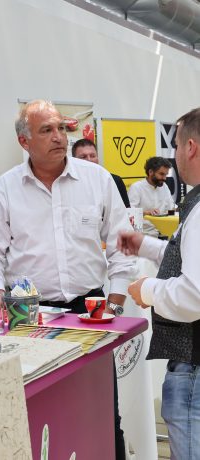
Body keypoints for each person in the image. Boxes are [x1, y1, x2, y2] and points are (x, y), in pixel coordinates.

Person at [0, 100, 136, 460]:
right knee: (40, 412)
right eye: (46, 130)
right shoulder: (5, 189)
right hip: (29, 316)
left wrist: (116, 300)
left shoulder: (97, 180)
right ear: (24, 141)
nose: (59, 136)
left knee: (101, 412)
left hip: (89, 310)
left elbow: (123, 241)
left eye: (61, 128)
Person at [118, 107, 200, 460]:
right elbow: (189, 257)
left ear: (191, 147)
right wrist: (147, 245)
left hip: (194, 365)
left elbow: (195, 294)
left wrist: (147, 290)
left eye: (177, 146)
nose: (175, 156)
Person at [72, 138, 131, 207]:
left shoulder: (114, 180)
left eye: (92, 156)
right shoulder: (69, 182)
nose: (89, 160)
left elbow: (126, 210)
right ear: (73, 160)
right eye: (83, 157)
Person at [128, 156, 175, 236]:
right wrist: (147, 213)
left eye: (166, 175)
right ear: (150, 172)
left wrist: (177, 210)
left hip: (164, 233)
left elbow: (171, 209)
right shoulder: (137, 187)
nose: (164, 178)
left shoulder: (164, 187)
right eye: (161, 174)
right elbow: (130, 214)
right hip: (143, 235)